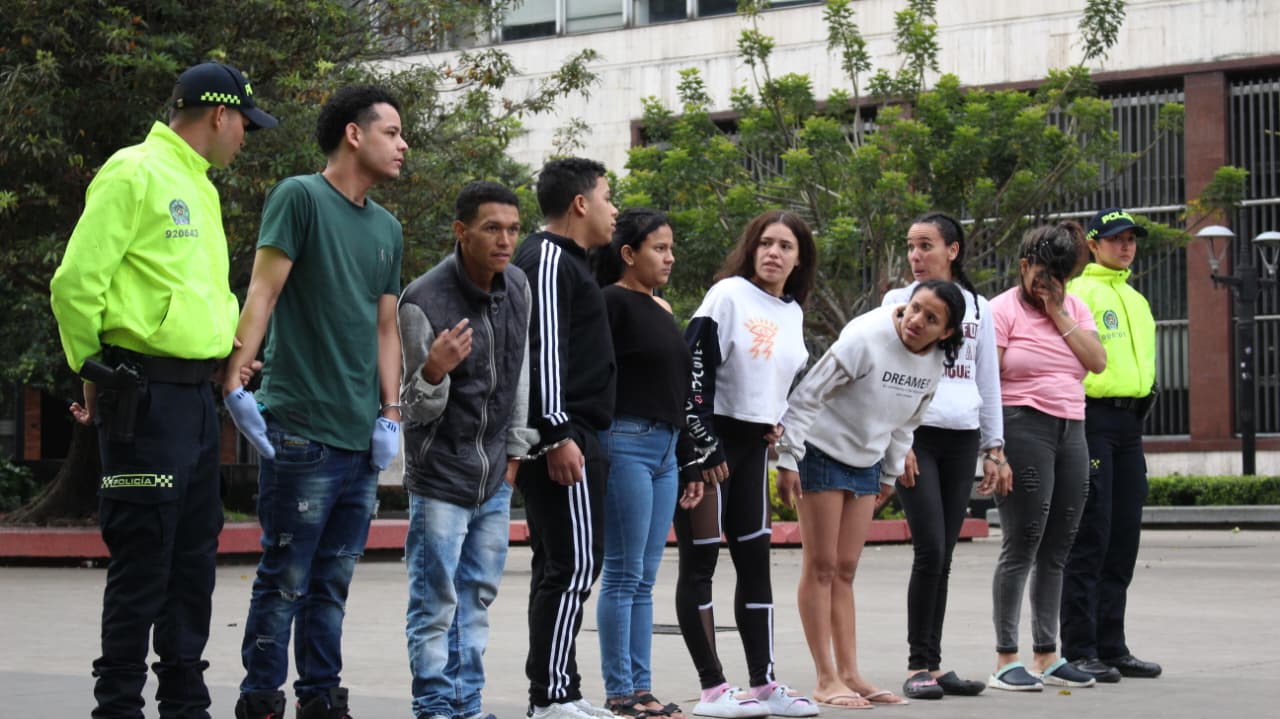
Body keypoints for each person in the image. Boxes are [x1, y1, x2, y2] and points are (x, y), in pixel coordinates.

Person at [49, 61, 277, 719]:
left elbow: (189, 291)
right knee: (144, 559)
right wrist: (93, 373)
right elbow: (74, 285)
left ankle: (185, 702)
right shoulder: (134, 172)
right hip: (142, 398)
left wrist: (219, 347)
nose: (245, 137)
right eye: (244, 124)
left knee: (193, 558)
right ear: (218, 114)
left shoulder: (198, 186)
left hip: (195, 402)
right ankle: (117, 705)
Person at [222, 85, 408, 719]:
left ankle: (321, 699)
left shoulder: (388, 227)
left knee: (332, 584)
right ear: (354, 134)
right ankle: (260, 700)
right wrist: (235, 380)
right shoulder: (298, 197)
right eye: (392, 132)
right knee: (285, 580)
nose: (403, 144)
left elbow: (387, 327)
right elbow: (262, 293)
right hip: (300, 427)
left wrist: (391, 413)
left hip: (361, 437)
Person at [775, 280, 964, 710]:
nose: (916, 321)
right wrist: (787, 459)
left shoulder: (934, 363)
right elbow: (805, 399)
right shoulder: (865, 338)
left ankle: (851, 673)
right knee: (820, 566)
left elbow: (906, 424)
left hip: (867, 461)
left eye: (931, 319)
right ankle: (826, 678)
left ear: (946, 333)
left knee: (845, 569)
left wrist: (889, 474)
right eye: (915, 309)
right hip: (820, 450)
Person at [398, 181, 537, 719]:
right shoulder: (423, 300)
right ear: (462, 232)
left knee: (476, 598)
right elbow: (412, 408)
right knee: (435, 604)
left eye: (512, 229)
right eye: (491, 229)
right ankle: (435, 707)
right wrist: (435, 369)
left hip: (495, 476)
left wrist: (516, 456)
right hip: (440, 477)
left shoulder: (518, 286)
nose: (504, 240)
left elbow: (520, 375)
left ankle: (467, 703)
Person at [676, 210, 818, 719]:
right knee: (701, 565)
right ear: (751, 248)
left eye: (786, 246)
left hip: (753, 451)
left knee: (757, 568)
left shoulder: (793, 311)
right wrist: (701, 448)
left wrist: (774, 421)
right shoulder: (727, 295)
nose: (774, 253)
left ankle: (763, 685)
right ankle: (713, 688)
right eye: (766, 243)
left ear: (799, 259)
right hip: (709, 450)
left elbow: (774, 382)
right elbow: (693, 373)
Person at [880, 213, 1009, 700]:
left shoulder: (977, 307)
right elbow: (885, 375)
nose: (915, 256)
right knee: (930, 547)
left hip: (962, 438)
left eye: (925, 246)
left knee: (945, 554)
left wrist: (993, 450)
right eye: (910, 247)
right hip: (918, 439)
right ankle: (918, 665)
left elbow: (987, 381)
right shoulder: (897, 304)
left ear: (952, 250)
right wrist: (900, 440)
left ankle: (932, 664)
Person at [512, 157, 618, 719]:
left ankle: (560, 690)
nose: (613, 209)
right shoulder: (550, 258)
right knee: (574, 565)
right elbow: (543, 348)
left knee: (561, 565)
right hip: (564, 431)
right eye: (607, 197)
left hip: (574, 429)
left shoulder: (570, 261)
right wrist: (555, 434)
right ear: (580, 203)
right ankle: (552, 695)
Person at [591, 209, 704, 719]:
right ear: (629, 253)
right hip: (626, 441)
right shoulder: (610, 303)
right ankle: (621, 692)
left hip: (664, 450)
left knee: (644, 577)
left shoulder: (661, 308)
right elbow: (596, 377)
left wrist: (688, 460)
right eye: (659, 248)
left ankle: (642, 690)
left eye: (671, 248)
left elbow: (675, 392)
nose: (670, 257)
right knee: (622, 573)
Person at [987, 221, 1107, 693]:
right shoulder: (1002, 310)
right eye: (1046, 274)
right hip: (1023, 425)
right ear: (1024, 266)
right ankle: (1005, 658)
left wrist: (1057, 310)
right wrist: (993, 449)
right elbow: (989, 380)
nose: (1054, 284)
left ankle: (1046, 655)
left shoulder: (1073, 306)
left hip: (1072, 428)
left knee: (1059, 545)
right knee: (1023, 541)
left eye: (1063, 277)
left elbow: (1096, 362)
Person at [1059, 208, 1162, 682]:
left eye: (1131, 239)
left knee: (1123, 537)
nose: (1126, 247)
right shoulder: (1079, 293)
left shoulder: (1137, 300)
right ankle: (1079, 648)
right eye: (1116, 239)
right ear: (1094, 245)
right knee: (1091, 535)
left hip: (1131, 425)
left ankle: (1112, 645)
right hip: (1093, 420)